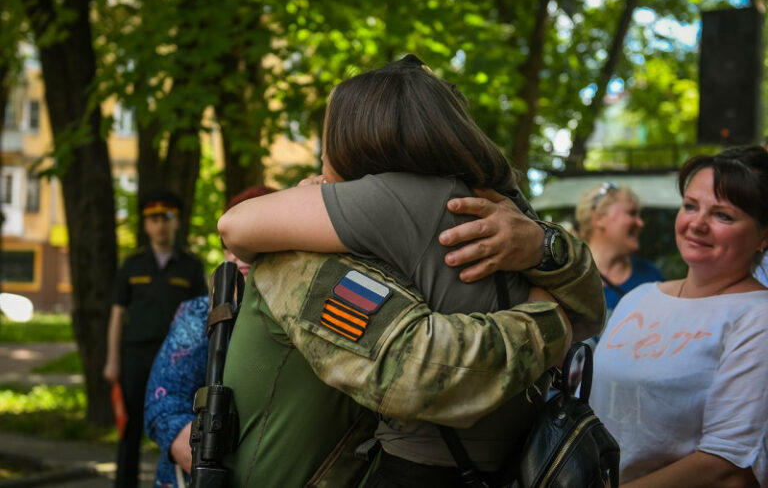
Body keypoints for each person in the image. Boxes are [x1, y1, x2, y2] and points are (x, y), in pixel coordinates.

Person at [218, 55, 605, 486]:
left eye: (328, 137)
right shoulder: (502, 206)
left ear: (358, 138)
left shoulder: (389, 203)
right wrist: (546, 259)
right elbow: (590, 308)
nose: (321, 160)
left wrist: (550, 322)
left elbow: (233, 225)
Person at [590, 146, 768, 486]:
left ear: (764, 236)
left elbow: (725, 462)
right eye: (690, 206)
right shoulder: (639, 297)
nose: (697, 224)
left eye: (723, 216)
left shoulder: (757, 316)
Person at [143, 186, 276, 488]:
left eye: (252, 240)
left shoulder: (299, 317)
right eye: (230, 244)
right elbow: (163, 407)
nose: (237, 254)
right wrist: (212, 472)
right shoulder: (198, 314)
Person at [103, 190, 207, 488]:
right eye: (153, 219)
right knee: (130, 430)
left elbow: (201, 316)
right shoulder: (132, 265)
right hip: (136, 357)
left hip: (178, 363)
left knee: (175, 425)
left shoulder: (190, 266)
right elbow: (116, 315)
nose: (160, 225)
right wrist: (112, 361)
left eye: (166, 218)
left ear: (176, 222)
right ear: (145, 225)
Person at [574, 182, 664, 319]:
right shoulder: (567, 280)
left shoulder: (650, 277)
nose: (640, 223)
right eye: (631, 213)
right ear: (599, 219)